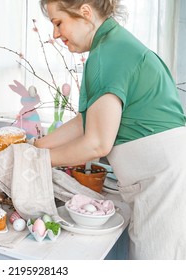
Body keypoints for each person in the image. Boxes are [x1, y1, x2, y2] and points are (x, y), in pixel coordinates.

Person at [36, 0, 186, 259]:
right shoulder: (115, 45)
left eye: (58, 23)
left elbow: (97, 143)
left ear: (85, 12)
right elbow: (87, 122)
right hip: (161, 177)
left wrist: (33, 160)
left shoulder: (107, 53)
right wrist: (38, 146)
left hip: (164, 182)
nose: (55, 34)